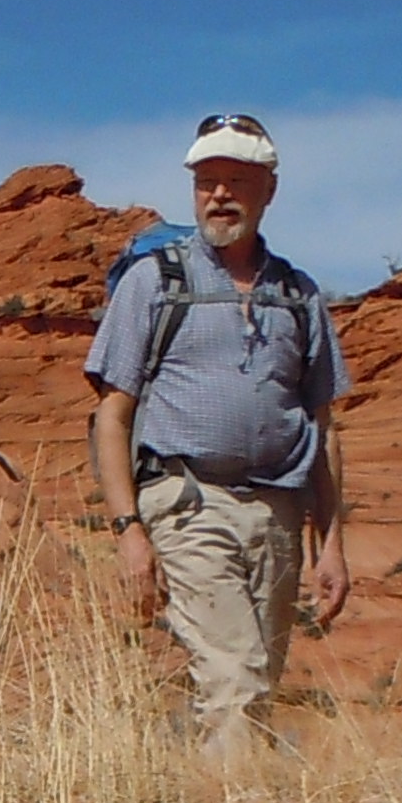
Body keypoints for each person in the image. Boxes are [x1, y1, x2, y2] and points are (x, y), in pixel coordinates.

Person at [85, 115, 353, 751]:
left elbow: (323, 427)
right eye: (207, 181)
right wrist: (128, 532)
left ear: (269, 190)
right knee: (235, 681)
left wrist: (333, 543)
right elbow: (112, 415)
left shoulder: (297, 294)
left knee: (256, 682)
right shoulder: (157, 282)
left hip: (280, 513)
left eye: (237, 180)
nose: (220, 195)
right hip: (187, 503)